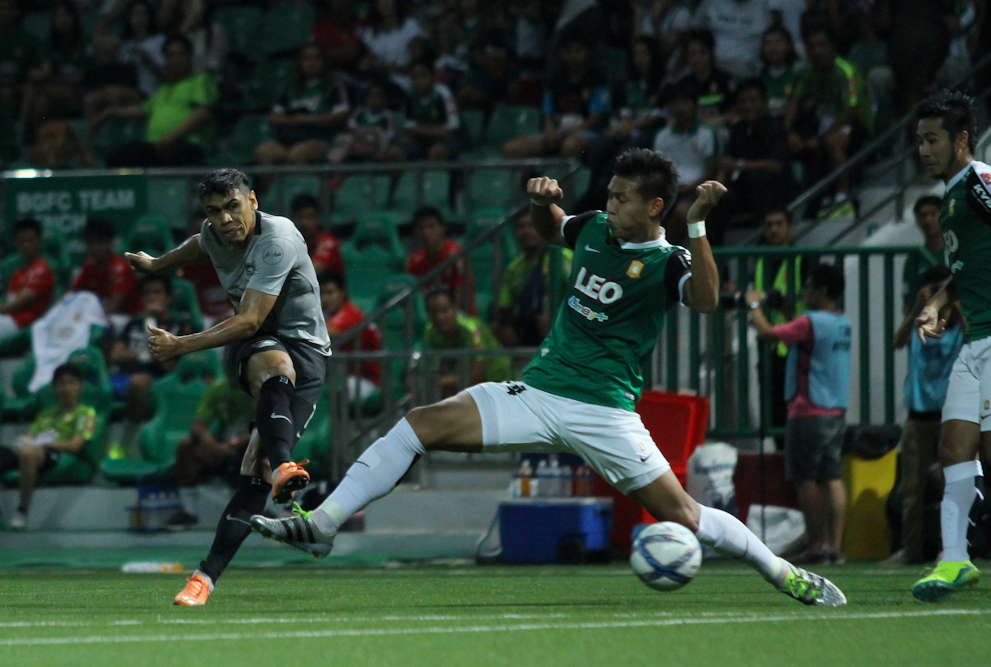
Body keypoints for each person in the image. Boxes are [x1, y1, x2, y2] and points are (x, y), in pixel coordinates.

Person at [250, 148, 847, 607]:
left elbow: (709, 301)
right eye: (609, 195)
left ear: (654, 207)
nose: (610, 205)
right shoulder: (593, 228)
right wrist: (540, 200)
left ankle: (784, 573)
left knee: (684, 515)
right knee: (419, 424)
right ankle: (323, 524)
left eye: (621, 199)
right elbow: (550, 226)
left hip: (604, 410)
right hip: (538, 391)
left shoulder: (670, 261)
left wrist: (698, 226)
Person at [123, 168, 331, 606]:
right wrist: (157, 264)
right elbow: (199, 245)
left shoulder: (278, 240)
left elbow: (251, 317)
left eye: (232, 206)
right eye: (214, 211)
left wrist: (181, 345)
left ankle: (204, 578)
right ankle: (285, 466)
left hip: (307, 349)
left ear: (252, 201)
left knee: (255, 475)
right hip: (256, 345)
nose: (224, 219)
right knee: (274, 364)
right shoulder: (213, 232)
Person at [912, 90, 991, 601]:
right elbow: (970, 268)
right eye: (920, 140)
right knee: (953, 448)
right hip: (974, 339)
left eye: (933, 139)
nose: (924, 150)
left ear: (961, 139)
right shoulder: (952, 197)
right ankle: (955, 559)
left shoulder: (980, 181)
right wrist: (941, 302)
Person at [747, 263, 852, 565]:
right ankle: (835, 547)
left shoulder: (809, 322)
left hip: (807, 411)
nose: (804, 292)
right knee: (832, 477)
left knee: (806, 479)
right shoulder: (842, 322)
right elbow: (808, 337)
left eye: (808, 287)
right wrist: (787, 311)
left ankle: (815, 545)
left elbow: (768, 334)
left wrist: (753, 305)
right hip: (835, 410)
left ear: (822, 290)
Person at [891, 266, 964, 564]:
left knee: (952, 486)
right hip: (918, 414)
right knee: (912, 489)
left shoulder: (957, 326)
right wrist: (918, 309)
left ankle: (952, 548)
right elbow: (897, 342)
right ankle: (911, 550)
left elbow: (972, 335)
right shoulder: (920, 323)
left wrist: (954, 303)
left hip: (949, 414)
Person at [784, 24, 872, 213]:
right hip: (823, 121)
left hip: (854, 122)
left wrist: (822, 137)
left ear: (833, 47)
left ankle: (842, 196)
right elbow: (795, 101)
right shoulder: (808, 72)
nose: (816, 51)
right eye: (812, 47)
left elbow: (851, 108)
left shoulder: (846, 71)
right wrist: (787, 132)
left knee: (832, 141)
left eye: (822, 45)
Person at [98, 34, 218, 167]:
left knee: (170, 156)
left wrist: (169, 139)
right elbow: (141, 109)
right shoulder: (163, 89)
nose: (176, 60)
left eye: (181, 54)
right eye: (171, 55)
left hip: (187, 145)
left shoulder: (201, 80)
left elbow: (203, 114)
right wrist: (110, 111)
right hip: (156, 146)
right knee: (117, 157)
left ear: (190, 56)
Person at [0, 363, 96, 530]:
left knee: (28, 454)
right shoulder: (46, 413)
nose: (66, 388)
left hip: (57, 453)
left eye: (71, 383)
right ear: (54, 388)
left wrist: (45, 444)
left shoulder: (86, 413)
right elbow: (31, 436)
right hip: (36, 449)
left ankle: (22, 511)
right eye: (61, 384)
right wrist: (23, 441)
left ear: (80, 386)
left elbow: (76, 445)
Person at [707, 79, 794, 245]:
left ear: (764, 102)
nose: (748, 106)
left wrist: (739, 165)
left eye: (753, 100)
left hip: (774, 191)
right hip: (744, 191)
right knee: (718, 201)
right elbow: (726, 162)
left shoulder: (776, 128)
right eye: (743, 101)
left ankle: (763, 241)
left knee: (759, 178)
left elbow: (775, 166)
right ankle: (715, 255)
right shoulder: (738, 130)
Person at [165, 377, 255, 531]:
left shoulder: (263, 388)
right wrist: (212, 444)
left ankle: (260, 509)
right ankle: (189, 512)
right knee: (186, 446)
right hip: (224, 446)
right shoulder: (218, 388)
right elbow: (198, 426)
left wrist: (233, 444)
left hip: (251, 446)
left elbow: (266, 426)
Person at [501, 33, 611, 160]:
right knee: (511, 149)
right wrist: (550, 133)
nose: (573, 56)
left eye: (577, 51)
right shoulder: (554, 80)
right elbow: (547, 115)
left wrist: (565, 134)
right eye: (568, 52)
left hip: (586, 133)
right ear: (562, 54)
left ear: (588, 53)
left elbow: (595, 119)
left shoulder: (597, 81)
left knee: (570, 146)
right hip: (556, 133)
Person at [109, 274, 197, 421]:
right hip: (126, 374)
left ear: (168, 298)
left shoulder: (180, 327)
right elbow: (116, 354)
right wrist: (141, 355)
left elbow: (170, 366)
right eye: (147, 293)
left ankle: (134, 429)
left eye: (157, 292)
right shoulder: (134, 324)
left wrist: (151, 325)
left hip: (160, 378)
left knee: (138, 382)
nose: (151, 297)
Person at [253, 43, 350, 168]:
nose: (311, 63)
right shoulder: (291, 87)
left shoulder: (333, 87)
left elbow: (340, 115)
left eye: (316, 58)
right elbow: (274, 115)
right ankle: (275, 182)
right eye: (306, 59)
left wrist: (309, 119)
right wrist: (291, 120)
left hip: (321, 139)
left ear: (324, 61)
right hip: (289, 138)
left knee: (297, 154)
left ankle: (307, 182)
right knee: (263, 152)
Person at [652, 82, 720, 245]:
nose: (680, 108)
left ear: (694, 106)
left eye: (685, 102)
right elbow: (659, 170)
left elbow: (711, 171)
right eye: (676, 103)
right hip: (671, 189)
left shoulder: (707, 134)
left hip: (698, 189)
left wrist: (688, 188)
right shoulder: (662, 136)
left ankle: (667, 250)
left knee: (683, 212)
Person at [492, 210, 573, 347]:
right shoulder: (513, 269)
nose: (525, 231)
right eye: (520, 227)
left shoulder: (563, 258)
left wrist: (557, 317)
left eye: (531, 226)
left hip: (563, 321)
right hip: (527, 325)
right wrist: (505, 326)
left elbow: (580, 295)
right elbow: (505, 307)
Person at [424, 288, 511, 397]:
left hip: (499, 382)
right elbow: (430, 366)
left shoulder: (471, 328)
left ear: (455, 308)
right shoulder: (430, 331)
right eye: (433, 312)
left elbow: (477, 374)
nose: (439, 317)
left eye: (444, 310)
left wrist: (442, 382)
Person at [320, 271, 383, 402]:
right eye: (320, 294)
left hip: (367, 381)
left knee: (336, 388)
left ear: (342, 293)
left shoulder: (350, 313)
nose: (325, 299)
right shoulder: (327, 314)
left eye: (329, 293)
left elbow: (323, 334)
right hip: (344, 376)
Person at [386, 59, 465, 162]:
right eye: (414, 77)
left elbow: (452, 130)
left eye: (422, 76)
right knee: (393, 152)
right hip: (421, 140)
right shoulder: (410, 96)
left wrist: (419, 130)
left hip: (450, 140)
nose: (418, 81)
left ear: (433, 78)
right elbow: (410, 128)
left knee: (436, 152)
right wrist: (435, 131)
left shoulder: (443, 93)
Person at [71, 217, 142, 323]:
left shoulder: (120, 268)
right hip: (101, 314)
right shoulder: (89, 266)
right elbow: (72, 295)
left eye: (100, 242)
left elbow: (115, 306)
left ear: (110, 242)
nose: (95, 248)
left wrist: (86, 316)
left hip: (128, 318)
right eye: (91, 242)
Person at [406, 205, 475, 314]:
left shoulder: (457, 255)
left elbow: (462, 296)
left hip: (460, 317)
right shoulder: (414, 260)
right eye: (420, 228)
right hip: (431, 318)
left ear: (442, 228)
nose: (425, 233)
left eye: (431, 227)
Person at [0, 218, 55, 341]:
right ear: (16, 243)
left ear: (40, 241)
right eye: (22, 241)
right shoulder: (17, 273)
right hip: (10, 321)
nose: (26, 246)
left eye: (31, 241)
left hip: (28, 325)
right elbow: (10, 301)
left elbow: (19, 303)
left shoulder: (42, 269)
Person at [901, 195, 945, 314]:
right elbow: (907, 301)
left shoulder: (956, 252)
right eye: (923, 216)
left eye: (933, 214)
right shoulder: (914, 259)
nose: (928, 220)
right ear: (917, 221)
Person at [289, 193, 344, 276]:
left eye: (309, 217)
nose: (304, 223)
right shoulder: (287, 243)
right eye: (299, 217)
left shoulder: (328, 243)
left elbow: (309, 273)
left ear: (318, 219)